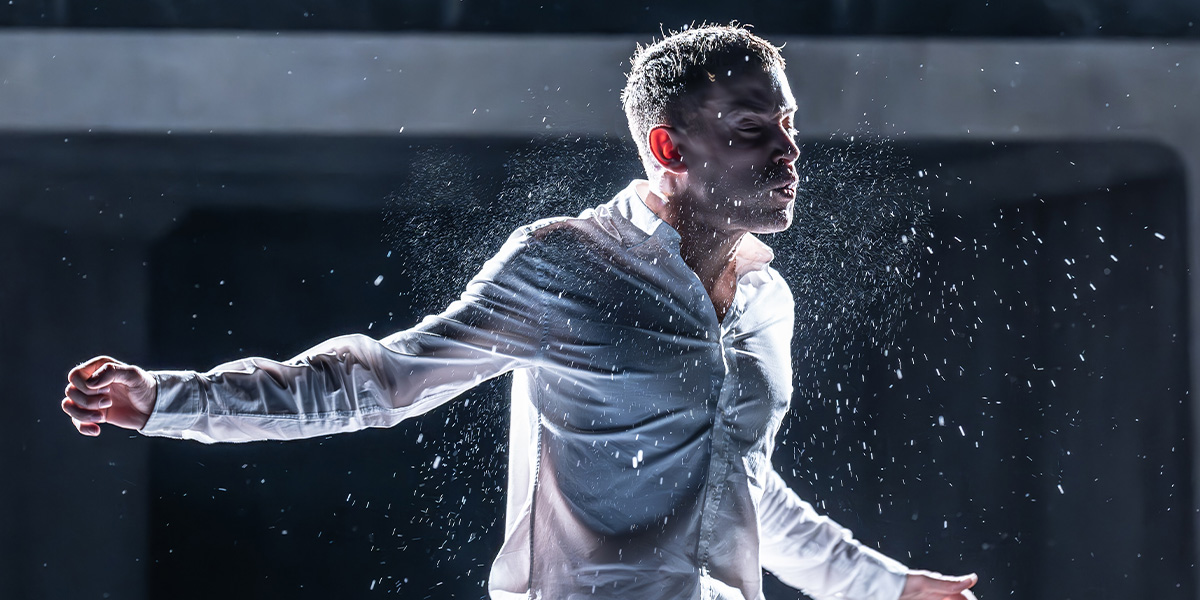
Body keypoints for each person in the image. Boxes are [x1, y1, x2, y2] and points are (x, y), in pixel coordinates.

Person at [62, 24, 978, 600]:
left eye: (789, 129)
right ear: (667, 146)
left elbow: (741, 489)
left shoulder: (768, 299)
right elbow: (377, 383)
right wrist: (170, 401)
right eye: (751, 131)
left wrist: (890, 588)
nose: (787, 154)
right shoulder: (563, 264)